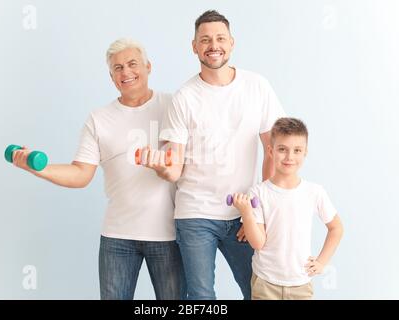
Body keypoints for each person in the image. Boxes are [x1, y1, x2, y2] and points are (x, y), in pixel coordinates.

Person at [12, 38, 186, 300]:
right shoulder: (99, 118)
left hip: (168, 235)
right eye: (117, 68)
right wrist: (38, 168)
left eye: (132, 64)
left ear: (148, 66)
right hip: (117, 238)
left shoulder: (173, 106)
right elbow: (81, 173)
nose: (125, 72)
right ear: (111, 77)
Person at [139, 10, 285, 300]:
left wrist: (257, 212)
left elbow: (274, 150)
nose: (213, 45)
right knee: (201, 297)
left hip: (243, 212)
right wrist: (159, 166)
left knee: (258, 291)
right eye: (204, 40)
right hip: (195, 214)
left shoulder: (257, 86)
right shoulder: (184, 98)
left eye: (219, 38)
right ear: (194, 47)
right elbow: (174, 168)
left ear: (231, 43)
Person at [231, 117, 344, 300]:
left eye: (297, 150)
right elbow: (258, 243)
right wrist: (246, 213)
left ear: (305, 152)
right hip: (265, 283)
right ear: (270, 151)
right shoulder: (258, 193)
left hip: (300, 284)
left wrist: (322, 262)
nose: (290, 157)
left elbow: (336, 228)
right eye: (282, 149)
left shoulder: (314, 192)